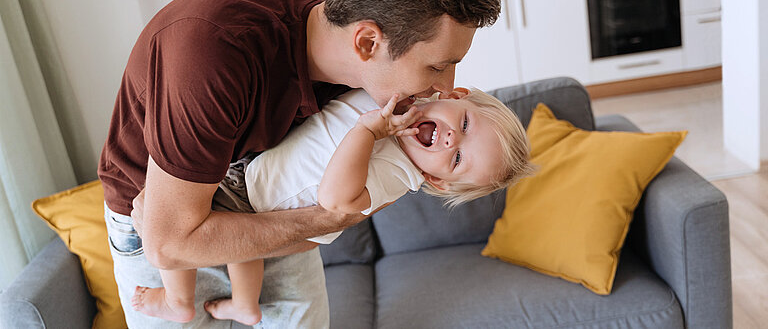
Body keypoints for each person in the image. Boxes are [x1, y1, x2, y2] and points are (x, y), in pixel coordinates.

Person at [99, 0, 501, 327]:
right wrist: (330, 219)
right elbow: (168, 244)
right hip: (162, 217)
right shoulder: (212, 58)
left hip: (261, 197)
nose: (443, 87)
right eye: (438, 65)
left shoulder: (353, 42)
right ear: (367, 43)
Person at [131, 88, 533, 325]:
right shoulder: (403, 94)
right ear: (455, 94)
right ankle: (245, 303)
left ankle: (178, 302)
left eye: (458, 159)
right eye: (463, 125)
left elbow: (335, 202)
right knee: (243, 244)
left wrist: (367, 131)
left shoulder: (399, 172)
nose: (450, 141)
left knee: (161, 210)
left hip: (256, 194)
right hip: (256, 188)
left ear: (437, 180)